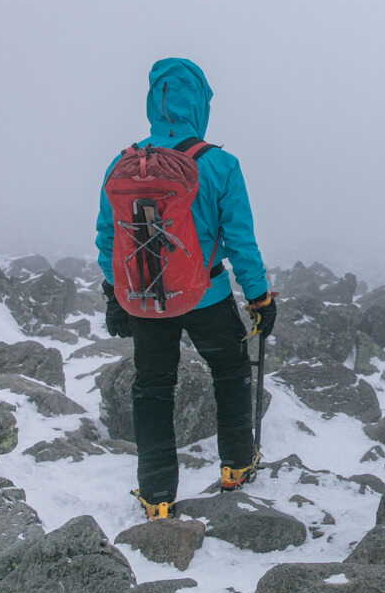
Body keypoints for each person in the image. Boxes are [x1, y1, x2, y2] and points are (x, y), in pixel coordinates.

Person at [95, 57, 277, 521]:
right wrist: (259, 298)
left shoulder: (124, 164)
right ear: (200, 102)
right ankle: (236, 465)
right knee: (230, 372)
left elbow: (108, 235)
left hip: (145, 299)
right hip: (208, 295)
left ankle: (157, 496)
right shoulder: (219, 162)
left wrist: (115, 293)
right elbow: (239, 240)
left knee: (152, 389)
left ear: (154, 99)